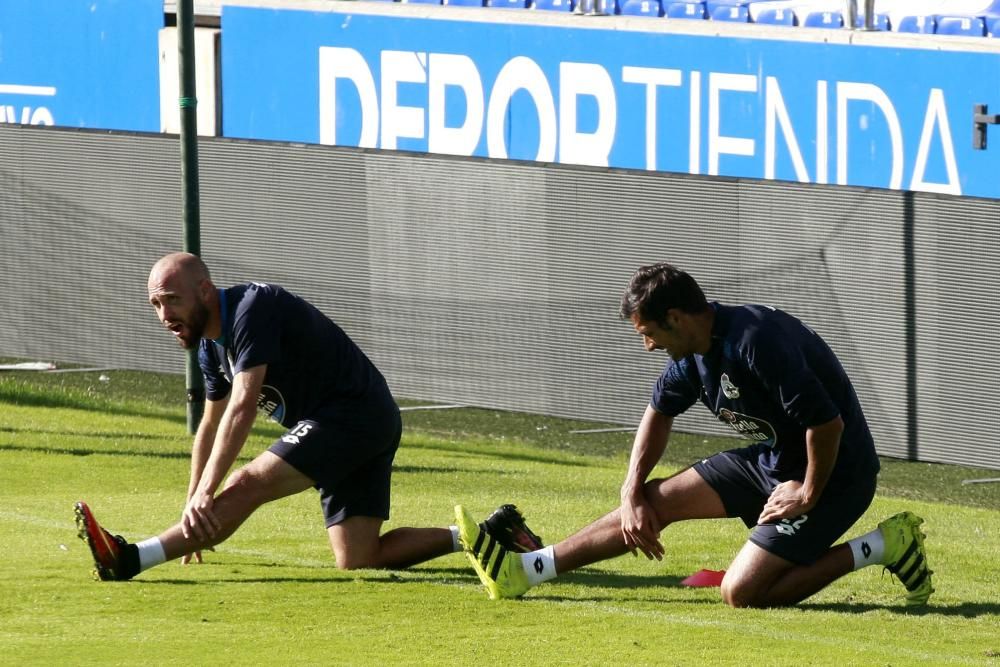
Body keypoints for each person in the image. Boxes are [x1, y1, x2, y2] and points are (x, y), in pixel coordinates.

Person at [456, 262, 933, 607]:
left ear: (676, 319)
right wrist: (629, 492)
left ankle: (885, 545)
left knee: (743, 592)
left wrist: (807, 493)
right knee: (648, 502)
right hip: (770, 462)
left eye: (648, 333)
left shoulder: (756, 342)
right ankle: (527, 570)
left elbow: (827, 425)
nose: (647, 345)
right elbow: (656, 414)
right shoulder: (690, 354)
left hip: (834, 474)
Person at [75, 252, 541, 581]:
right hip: (354, 423)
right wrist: (192, 499)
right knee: (358, 557)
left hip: (353, 414)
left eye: (172, 300)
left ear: (203, 290)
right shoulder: (208, 351)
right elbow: (209, 425)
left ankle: (131, 559)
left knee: (246, 484)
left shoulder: (249, 310)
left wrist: (209, 494)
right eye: (155, 304)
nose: (163, 314)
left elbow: (242, 407)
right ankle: (490, 534)